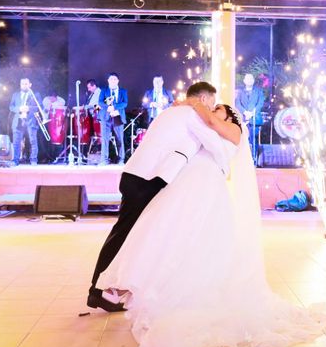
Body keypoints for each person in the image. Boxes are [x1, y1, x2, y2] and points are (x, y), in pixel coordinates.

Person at [94, 98, 326, 347]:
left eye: (219, 110)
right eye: (214, 110)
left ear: (231, 118)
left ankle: (179, 293)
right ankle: (147, 286)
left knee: (197, 245)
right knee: (167, 238)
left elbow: (210, 126)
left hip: (205, 190)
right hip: (186, 187)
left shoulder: (229, 132)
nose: (213, 113)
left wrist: (192, 104)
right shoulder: (211, 129)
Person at [86, 81, 229, 312]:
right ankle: (97, 290)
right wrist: (226, 168)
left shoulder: (169, 112)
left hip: (135, 174)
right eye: (211, 104)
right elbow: (213, 141)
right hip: (147, 179)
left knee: (127, 232)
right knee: (126, 234)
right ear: (202, 100)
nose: (210, 110)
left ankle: (108, 290)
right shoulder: (191, 114)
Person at [8, 77, 41, 165]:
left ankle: (33, 160)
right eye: (22, 84)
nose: (24, 85)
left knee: (33, 141)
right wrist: (19, 108)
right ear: (20, 85)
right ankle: (15, 160)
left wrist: (28, 108)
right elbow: (11, 107)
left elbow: (39, 107)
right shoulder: (15, 95)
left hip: (30, 120)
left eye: (26, 84)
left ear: (30, 85)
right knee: (16, 142)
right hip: (18, 120)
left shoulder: (35, 94)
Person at [98, 72, 128, 165]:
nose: (113, 81)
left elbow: (125, 103)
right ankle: (104, 160)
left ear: (118, 81)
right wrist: (108, 107)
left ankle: (121, 159)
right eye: (111, 79)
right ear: (108, 81)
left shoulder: (123, 91)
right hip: (106, 117)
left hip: (118, 116)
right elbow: (100, 102)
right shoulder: (104, 90)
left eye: (115, 79)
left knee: (120, 139)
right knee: (105, 139)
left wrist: (114, 107)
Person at [234, 73, 265, 163]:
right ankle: (244, 159)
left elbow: (260, 103)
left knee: (253, 138)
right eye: (247, 79)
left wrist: (252, 113)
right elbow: (237, 104)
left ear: (253, 80)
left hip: (255, 119)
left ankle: (254, 158)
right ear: (244, 81)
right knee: (243, 139)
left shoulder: (258, 91)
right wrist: (245, 112)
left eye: (251, 79)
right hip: (243, 119)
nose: (249, 80)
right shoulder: (240, 92)